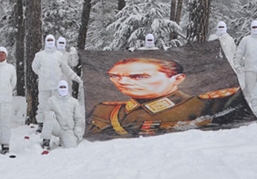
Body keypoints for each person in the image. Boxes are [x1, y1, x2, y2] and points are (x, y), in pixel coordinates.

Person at [87, 57, 246, 137]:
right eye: (114, 76)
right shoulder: (104, 110)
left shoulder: (211, 105)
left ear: (178, 79)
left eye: (139, 77)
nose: (122, 82)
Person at [31, 34, 81, 132]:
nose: (50, 42)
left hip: (56, 87)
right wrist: (43, 75)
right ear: (45, 41)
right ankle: (41, 124)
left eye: (51, 40)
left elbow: (66, 69)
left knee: (57, 106)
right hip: (44, 86)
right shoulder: (39, 55)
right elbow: (34, 67)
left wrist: (76, 78)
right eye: (48, 40)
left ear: (54, 41)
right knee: (42, 105)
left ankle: (58, 125)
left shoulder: (59, 55)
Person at [41, 80, 85, 151]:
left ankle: (63, 140)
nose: (62, 89)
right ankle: (46, 142)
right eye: (61, 87)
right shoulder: (51, 100)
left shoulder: (74, 102)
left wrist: (77, 132)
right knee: (49, 115)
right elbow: (45, 114)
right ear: (58, 88)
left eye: (64, 87)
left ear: (67, 88)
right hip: (57, 127)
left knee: (71, 148)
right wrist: (51, 116)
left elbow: (78, 118)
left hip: (68, 130)